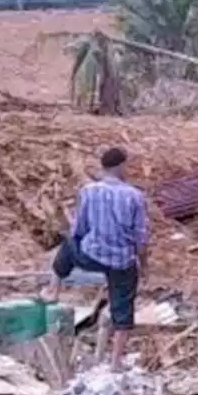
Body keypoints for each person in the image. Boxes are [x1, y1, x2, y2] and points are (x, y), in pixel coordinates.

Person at [41, 147, 149, 370]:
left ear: (103, 167)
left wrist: (81, 244)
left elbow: (80, 228)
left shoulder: (88, 191)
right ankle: (116, 361)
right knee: (123, 306)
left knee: (68, 245)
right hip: (121, 261)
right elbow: (140, 237)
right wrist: (143, 265)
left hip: (92, 256)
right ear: (120, 166)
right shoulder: (135, 196)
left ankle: (53, 290)